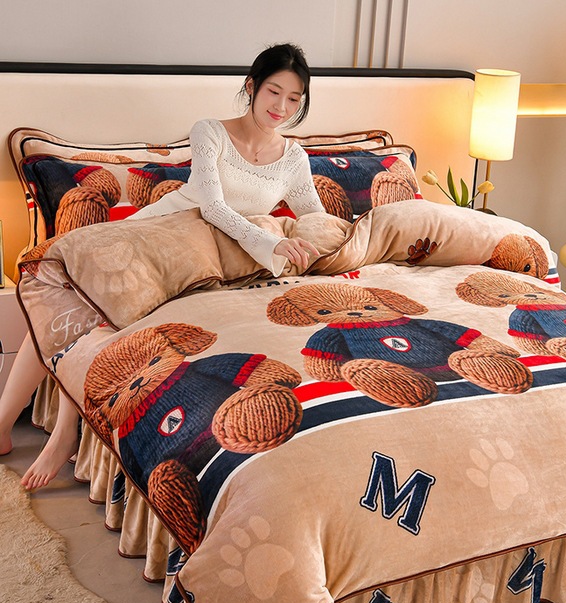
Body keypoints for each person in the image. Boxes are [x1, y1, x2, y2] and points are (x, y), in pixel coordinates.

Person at [1, 43, 324, 490]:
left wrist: (345, 239)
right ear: (251, 87)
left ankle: (62, 435)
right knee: (70, 299)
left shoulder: (293, 158)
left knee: (99, 314)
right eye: (274, 91)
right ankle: (6, 421)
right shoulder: (211, 132)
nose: (282, 107)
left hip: (217, 261)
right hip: (160, 234)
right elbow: (211, 206)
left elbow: (315, 218)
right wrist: (272, 243)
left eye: (293, 98)